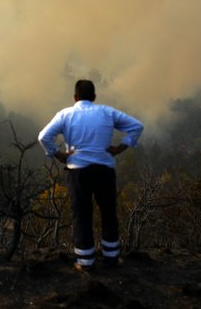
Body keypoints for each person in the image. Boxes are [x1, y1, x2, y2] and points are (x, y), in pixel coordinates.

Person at [38, 80, 144, 273]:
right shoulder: (107, 112)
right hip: (104, 170)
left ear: (75, 97)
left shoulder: (65, 114)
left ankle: (85, 262)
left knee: (82, 215)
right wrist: (120, 147)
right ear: (94, 97)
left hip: (78, 172)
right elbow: (137, 126)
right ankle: (111, 259)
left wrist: (58, 154)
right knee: (108, 213)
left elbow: (43, 137)